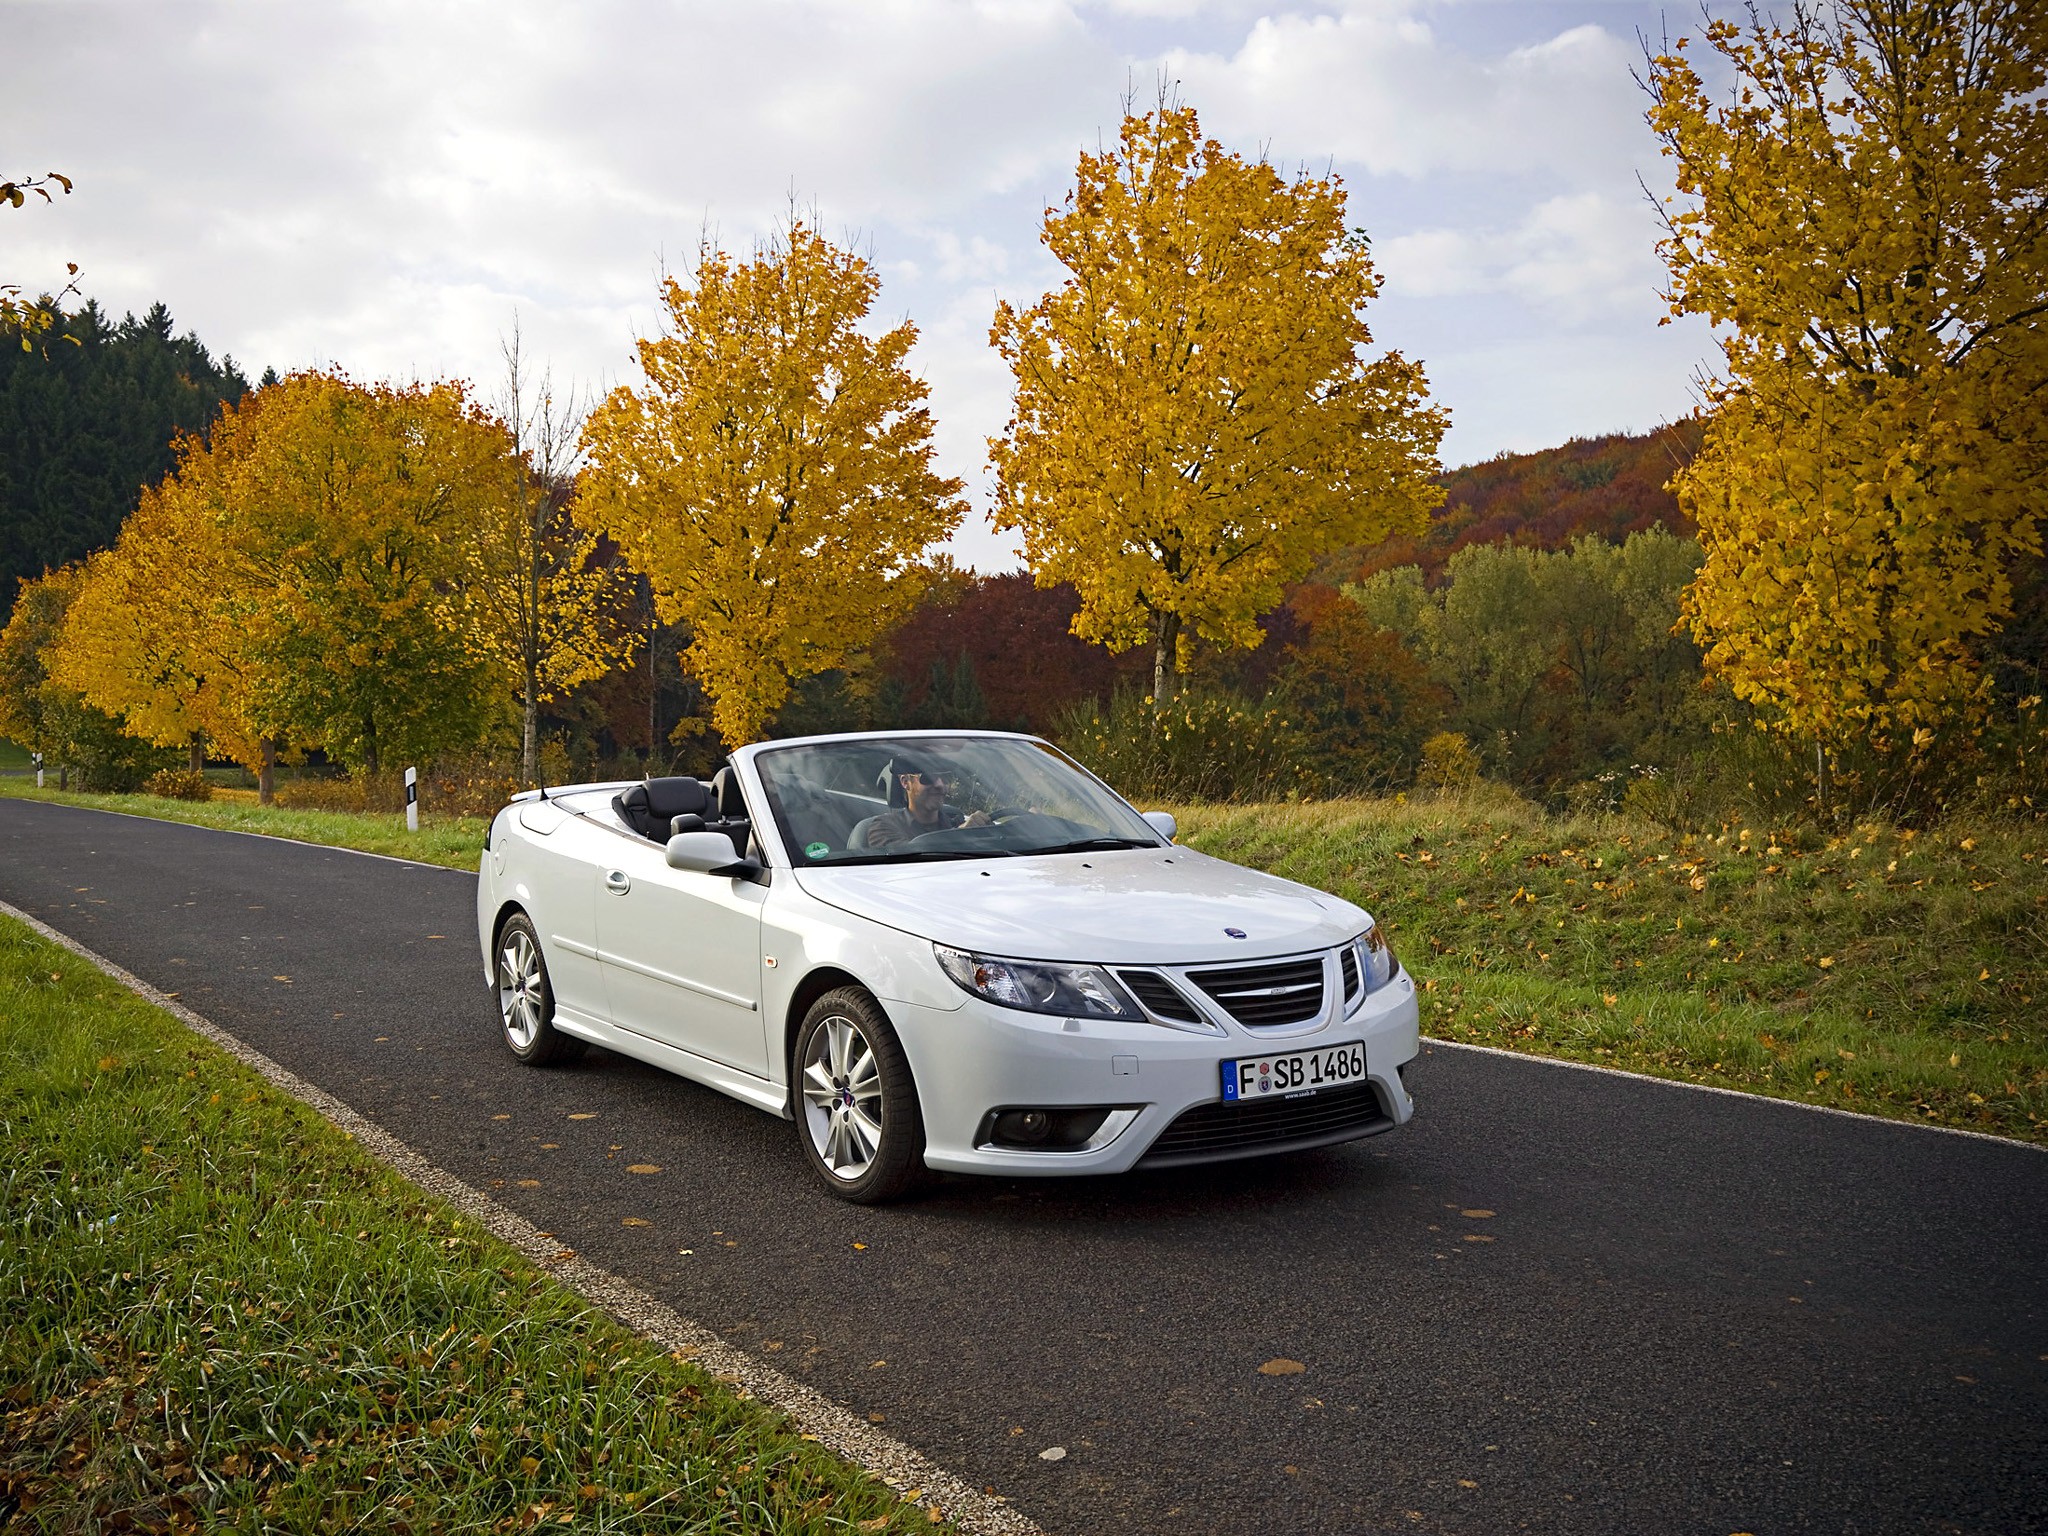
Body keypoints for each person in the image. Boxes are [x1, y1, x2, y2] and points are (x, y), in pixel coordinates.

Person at [859, 763, 992, 848]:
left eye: (945, 779)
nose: (940, 785)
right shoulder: (883, 826)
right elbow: (905, 856)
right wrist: (959, 835)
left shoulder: (956, 822)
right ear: (905, 782)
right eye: (928, 778)